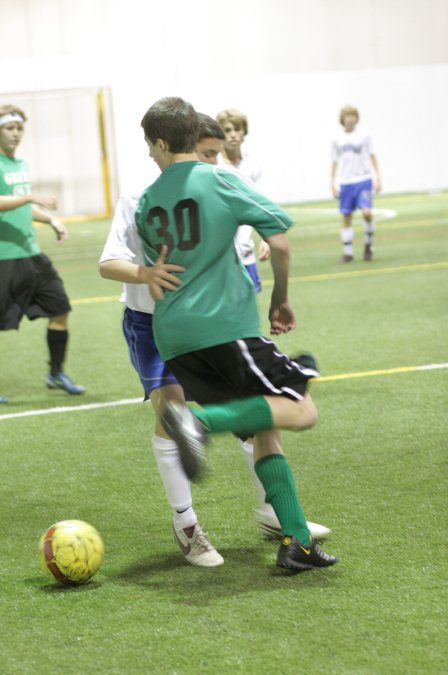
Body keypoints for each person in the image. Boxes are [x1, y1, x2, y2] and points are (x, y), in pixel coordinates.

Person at [99, 113, 329, 568]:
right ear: (194, 142)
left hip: (175, 333)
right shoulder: (217, 180)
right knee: (302, 409)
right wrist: (279, 297)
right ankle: (199, 428)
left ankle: (296, 542)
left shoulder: (148, 200)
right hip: (220, 327)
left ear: (162, 143)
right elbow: (279, 241)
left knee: (265, 429)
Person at [0, 104, 85, 397]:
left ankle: (56, 372)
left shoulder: (19, 164)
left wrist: (51, 219)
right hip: (4, 259)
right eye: (9, 128)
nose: (15, 133)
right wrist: (31, 197)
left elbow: (21, 205)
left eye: (19, 128)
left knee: (60, 308)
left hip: (32, 256)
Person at [216, 108, 270, 292]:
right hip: (220, 255)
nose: (232, 135)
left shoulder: (253, 164)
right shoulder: (214, 165)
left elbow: (261, 204)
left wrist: (265, 238)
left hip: (246, 252)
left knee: (249, 310)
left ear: (244, 131)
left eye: (237, 129)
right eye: (227, 130)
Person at [331, 105, 381, 263]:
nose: (350, 118)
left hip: (363, 180)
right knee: (346, 216)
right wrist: (332, 183)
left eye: (353, 115)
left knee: (367, 212)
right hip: (346, 182)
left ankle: (368, 243)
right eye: (347, 115)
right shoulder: (336, 139)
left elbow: (373, 155)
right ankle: (348, 253)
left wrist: (377, 177)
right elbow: (334, 162)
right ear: (342, 118)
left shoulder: (365, 135)